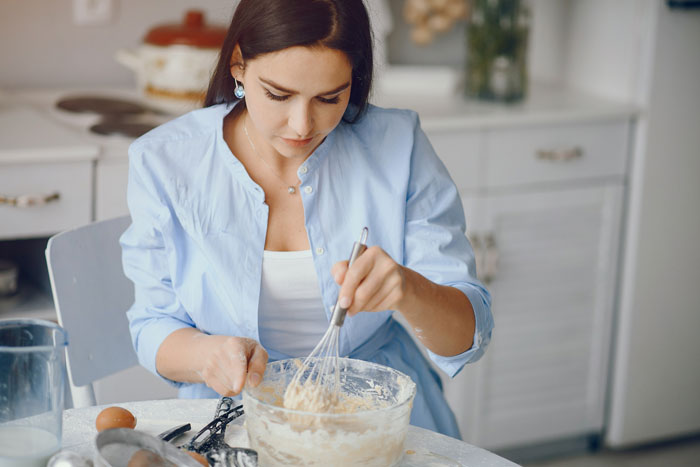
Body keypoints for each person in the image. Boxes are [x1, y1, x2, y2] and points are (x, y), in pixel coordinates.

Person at [121, 0, 492, 439]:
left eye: (329, 97)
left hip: (377, 416)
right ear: (238, 64)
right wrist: (205, 354)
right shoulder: (165, 161)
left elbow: (467, 336)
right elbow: (152, 324)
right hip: (233, 423)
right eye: (278, 95)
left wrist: (409, 290)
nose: (302, 124)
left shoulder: (399, 148)